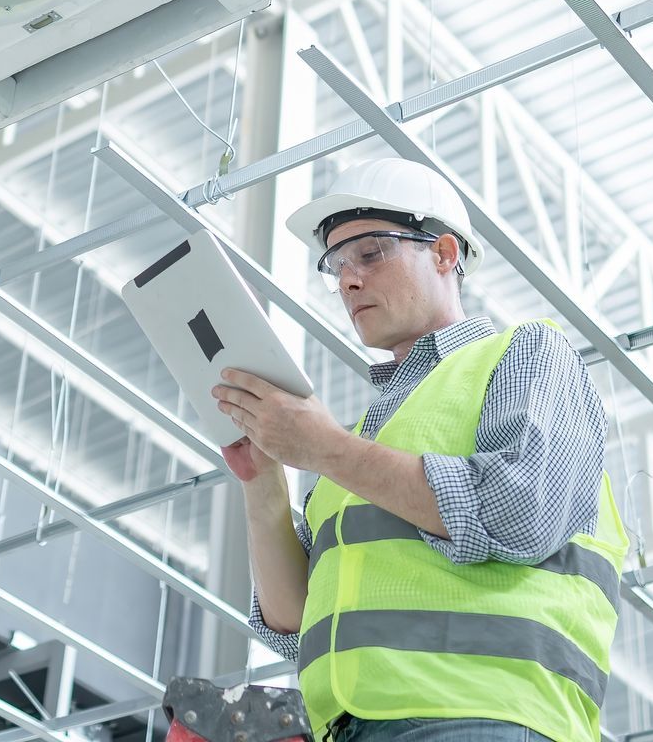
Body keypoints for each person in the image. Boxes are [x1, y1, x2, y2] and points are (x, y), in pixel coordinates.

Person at [211, 156, 625, 742]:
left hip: (483, 717)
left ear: (445, 254)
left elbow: (523, 513)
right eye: (336, 265)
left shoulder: (526, 354)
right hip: (352, 728)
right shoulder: (359, 445)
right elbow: (294, 622)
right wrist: (264, 480)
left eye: (371, 253)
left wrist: (324, 447)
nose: (349, 280)